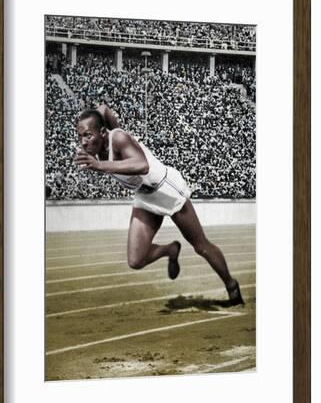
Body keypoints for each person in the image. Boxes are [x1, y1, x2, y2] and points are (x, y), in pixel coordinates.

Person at [73, 104, 244, 306]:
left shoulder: (118, 138)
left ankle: (231, 286)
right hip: (145, 197)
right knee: (135, 260)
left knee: (201, 246)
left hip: (165, 189)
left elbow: (142, 165)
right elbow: (102, 109)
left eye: (88, 135)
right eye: (81, 136)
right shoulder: (99, 146)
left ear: (102, 132)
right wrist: (98, 118)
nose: (84, 142)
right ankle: (170, 250)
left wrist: (101, 165)